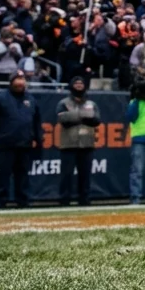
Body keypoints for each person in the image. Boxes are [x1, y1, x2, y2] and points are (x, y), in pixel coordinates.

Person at [0, 72, 41, 208]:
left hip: (25, 144)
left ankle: (23, 200)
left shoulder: (31, 99)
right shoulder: (0, 98)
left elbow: (36, 122)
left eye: (23, 79)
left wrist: (36, 139)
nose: (21, 82)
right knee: (3, 175)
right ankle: (0, 201)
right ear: (11, 82)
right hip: (5, 144)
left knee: (23, 175)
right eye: (18, 79)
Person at [55, 76, 99, 206]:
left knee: (85, 175)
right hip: (68, 144)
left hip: (87, 144)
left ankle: (84, 199)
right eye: (76, 83)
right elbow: (62, 119)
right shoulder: (63, 103)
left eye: (81, 83)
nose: (79, 85)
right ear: (71, 86)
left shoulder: (91, 104)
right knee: (66, 175)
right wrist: (83, 115)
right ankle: (64, 200)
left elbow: (96, 119)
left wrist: (74, 116)